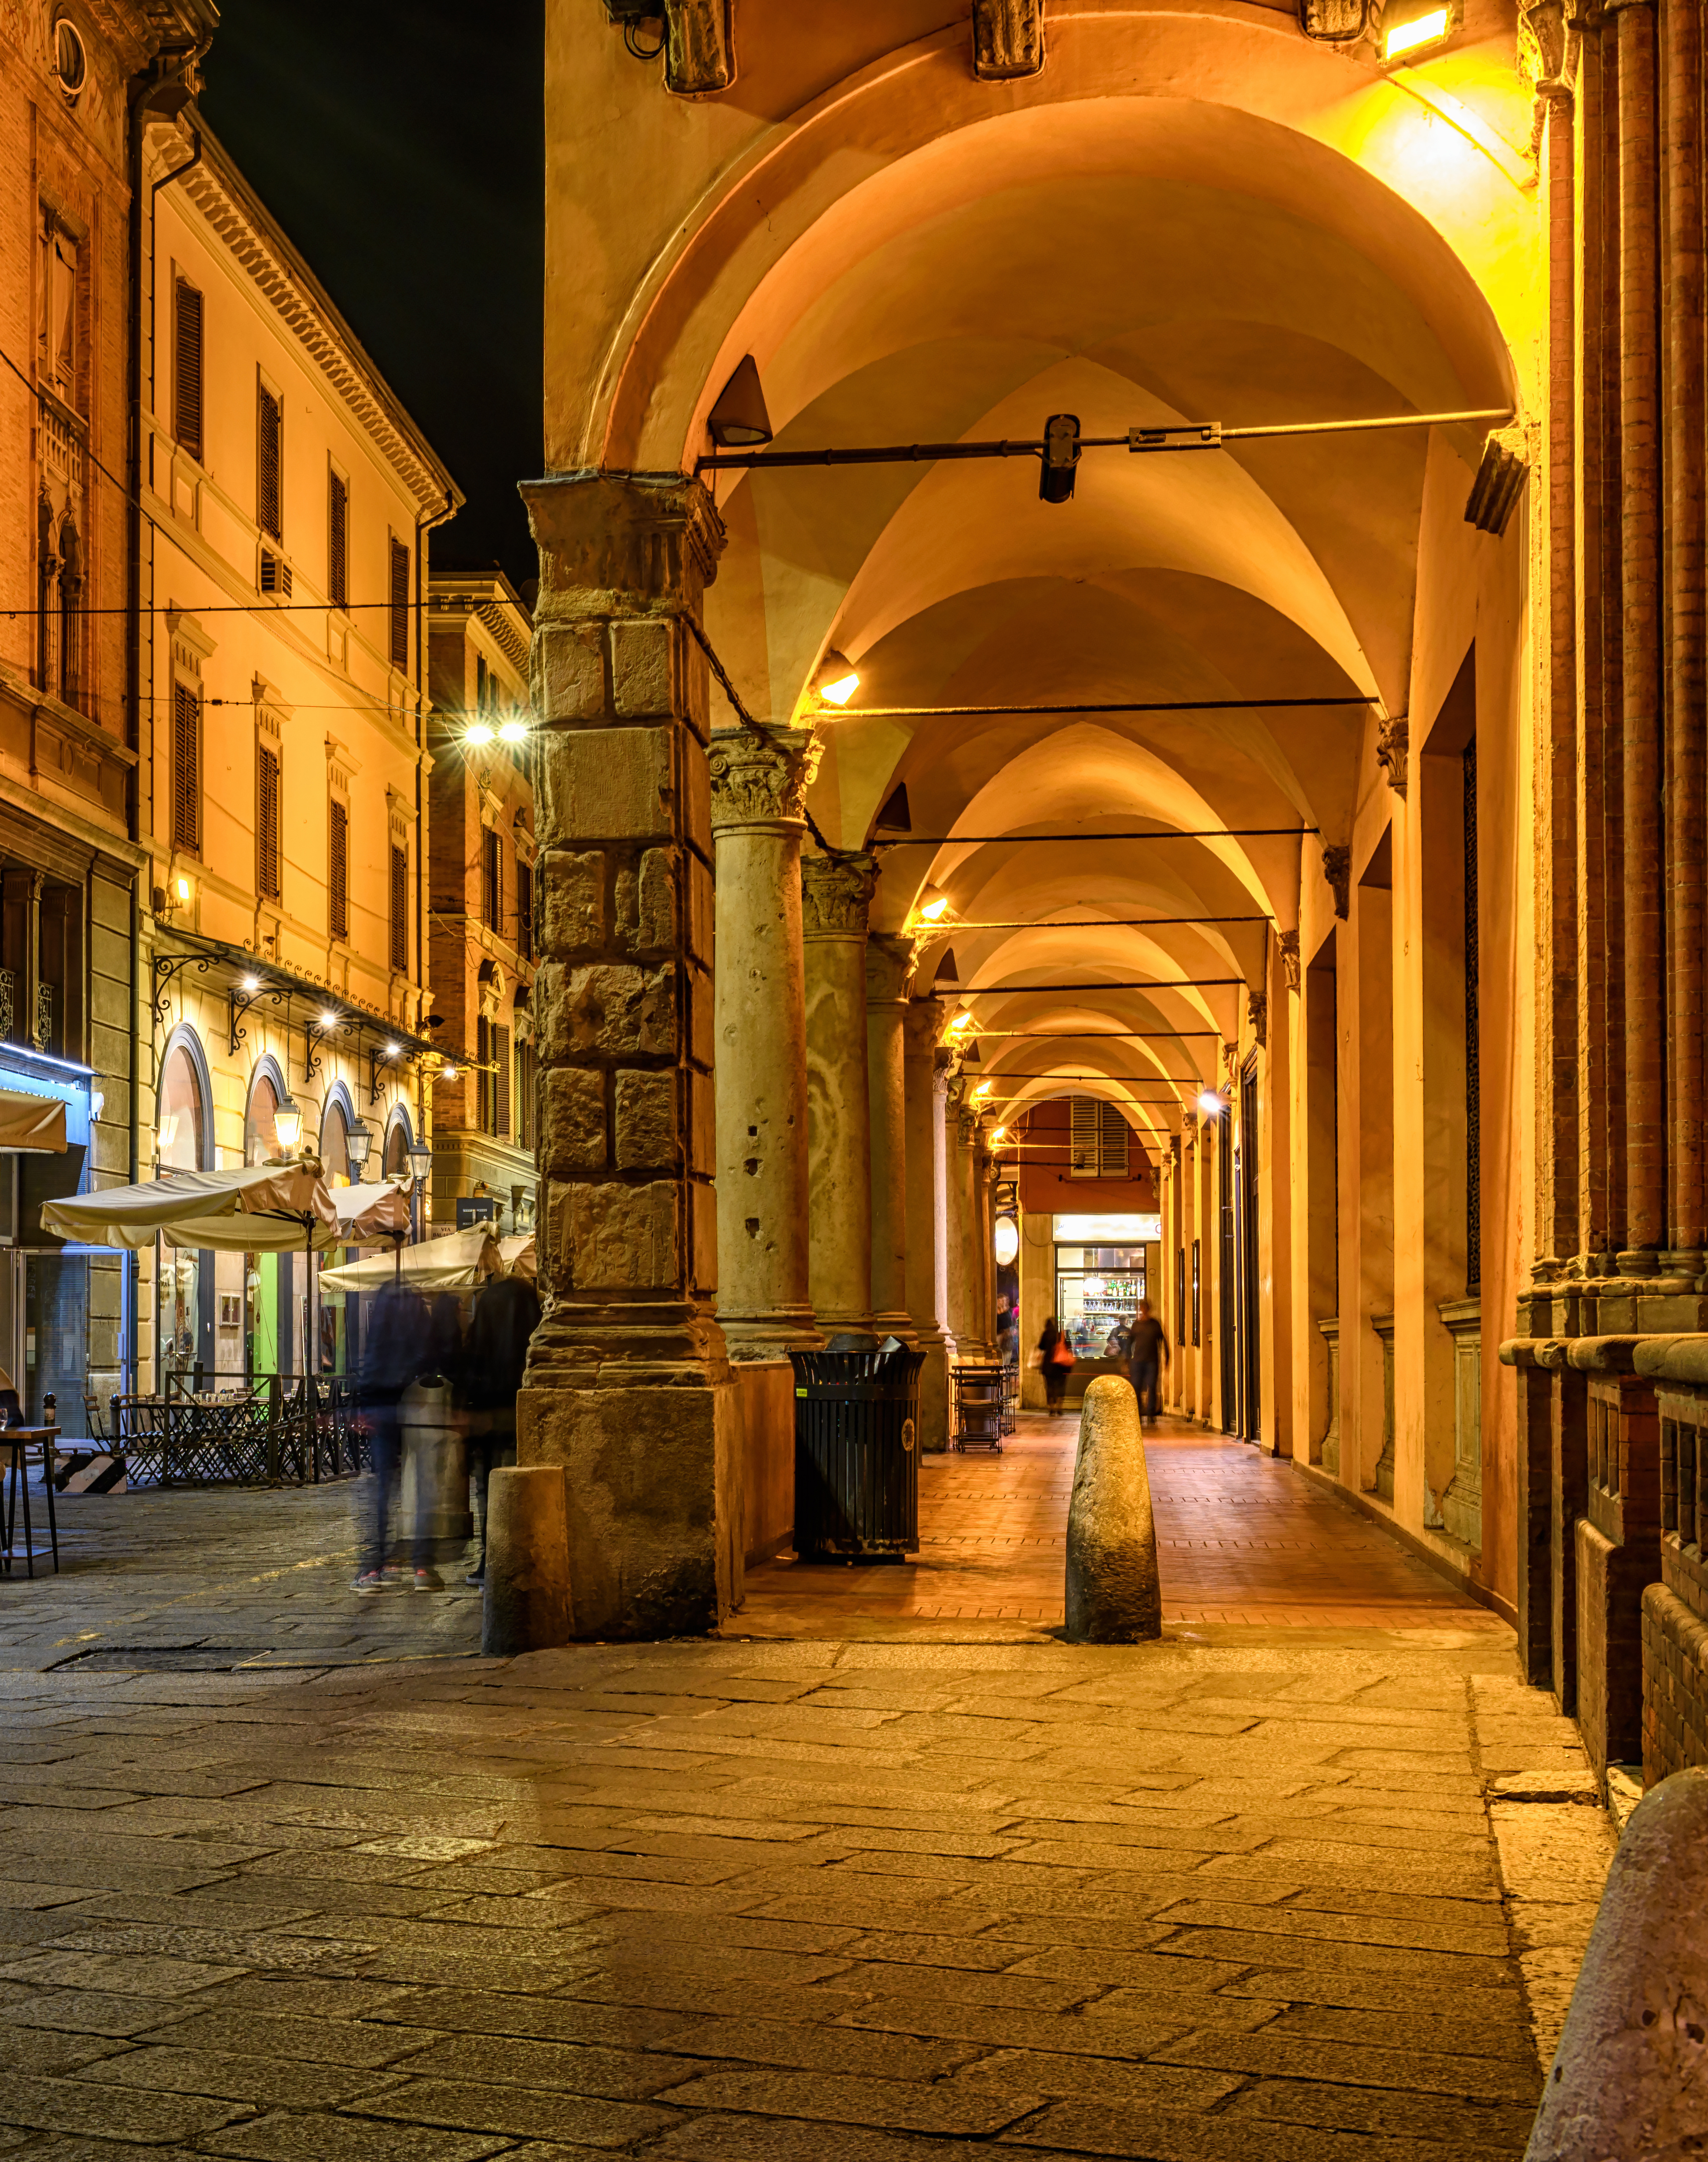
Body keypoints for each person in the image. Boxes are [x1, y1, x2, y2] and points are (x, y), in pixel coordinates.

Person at [463, 1264, 543, 1585]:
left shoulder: (485, 1319)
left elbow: (471, 1363)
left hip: (488, 1416)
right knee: (526, 1486)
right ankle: (526, 1552)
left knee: (488, 1490)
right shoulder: (533, 1325)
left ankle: (491, 1558)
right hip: (524, 1410)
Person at [353, 1279, 433, 1593]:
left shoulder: (384, 1310)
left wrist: (364, 1404)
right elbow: (429, 1356)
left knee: (382, 1488)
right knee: (423, 1485)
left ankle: (375, 1566)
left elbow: (372, 1359)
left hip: (384, 1405)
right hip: (417, 1404)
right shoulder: (418, 1309)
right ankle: (422, 1566)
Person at [1126, 1298, 1168, 1424]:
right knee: (1137, 1387)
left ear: (1148, 1309)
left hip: (1152, 1361)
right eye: (1143, 1308)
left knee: (1152, 1386)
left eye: (1146, 1308)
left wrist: (1167, 1356)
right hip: (1138, 1361)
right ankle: (1139, 1412)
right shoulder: (1136, 1325)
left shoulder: (1155, 1324)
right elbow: (1130, 1342)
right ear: (1141, 1309)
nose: (1144, 1310)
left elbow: (1163, 1340)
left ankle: (1151, 1413)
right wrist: (1127, 1359)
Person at [1038, 1316, 1074, 1416]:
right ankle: (1060, 1407)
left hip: (1049, 1365)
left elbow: (1041, 1347)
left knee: (1050, 1387)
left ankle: (1052, 1409)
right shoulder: (1061, 1334)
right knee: (1061, 1386)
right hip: (1061, 1366)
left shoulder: (1046, 1334)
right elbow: (1069, 1347)